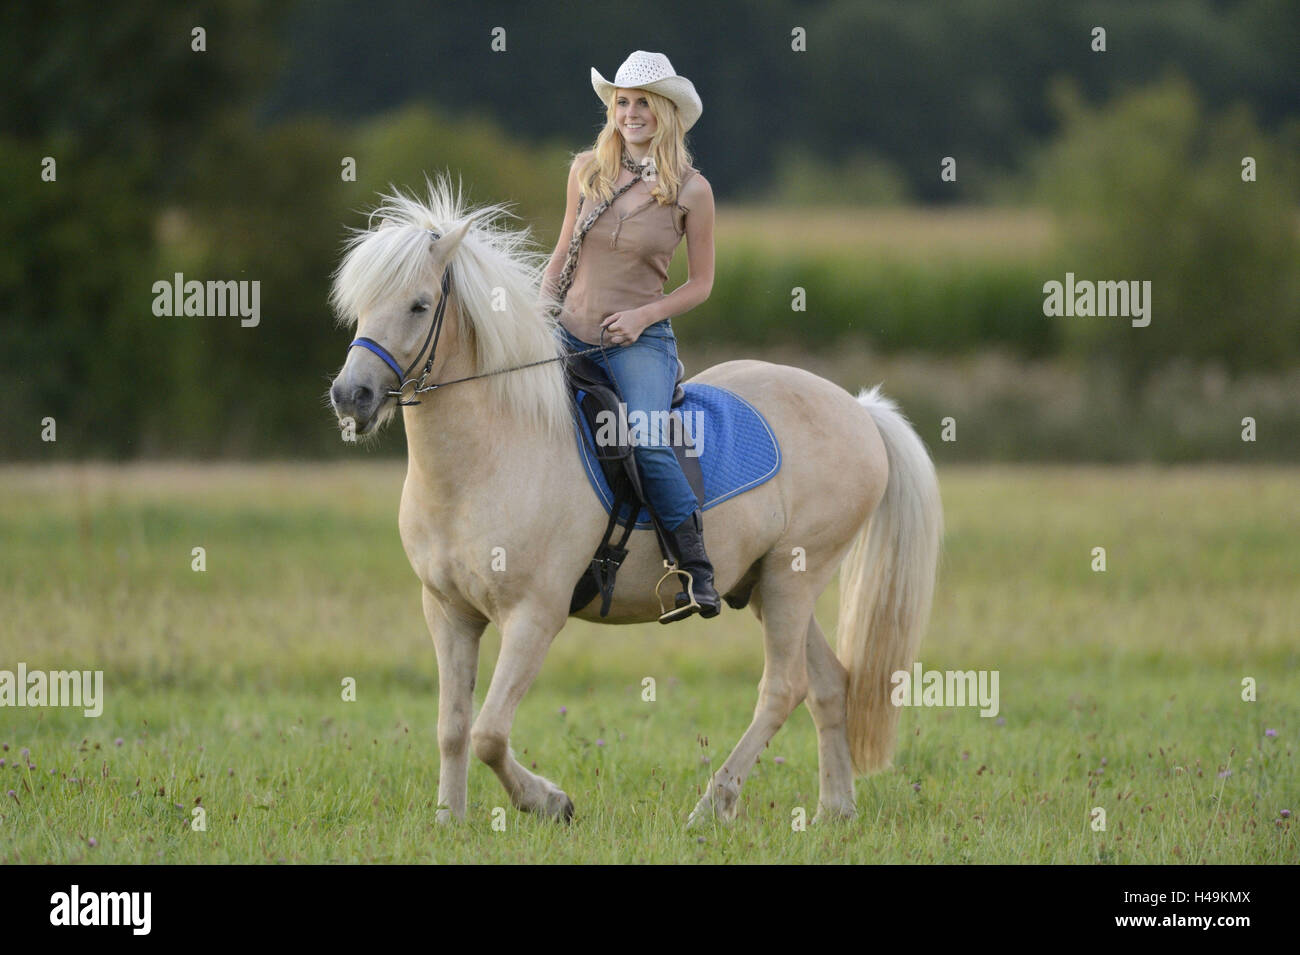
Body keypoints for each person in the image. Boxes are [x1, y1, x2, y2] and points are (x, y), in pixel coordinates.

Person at [542, 50, 720, 622]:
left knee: (643, 436)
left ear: (666, 112)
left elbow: (701, 285)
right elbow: (562, 253)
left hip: (637, 343)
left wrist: (645, 317)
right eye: (622, 102)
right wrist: (537, 311)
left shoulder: (691, 191)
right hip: (568, 330)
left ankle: (695, 569)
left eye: (643, 102)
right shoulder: (586, 170)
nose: (631, 112)